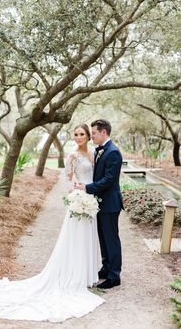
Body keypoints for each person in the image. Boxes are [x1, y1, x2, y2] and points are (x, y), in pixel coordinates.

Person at [0, 124, 105, 323]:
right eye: (76, 134)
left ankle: (87, 276)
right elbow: (70, 180)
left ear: (89, 136)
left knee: (88, 237)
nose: (78, 137)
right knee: (75, 239)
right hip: (79, 201)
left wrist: (90, 195)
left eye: (82, 134)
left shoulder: (94, 154)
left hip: (91, 201)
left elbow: (97, 177)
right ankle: (73, 278)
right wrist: (77, 196)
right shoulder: (72, 156)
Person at [76, 119, 123, 289]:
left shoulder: (113, 152)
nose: (92, 136)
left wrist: (87, 188)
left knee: (111, 239)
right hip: (100, 203)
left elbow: (109, 181)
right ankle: (106, 267)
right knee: (103, 238)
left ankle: (114, 276)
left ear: (103, 132)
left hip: (110, 203)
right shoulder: (100, 151)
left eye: (94, 133)